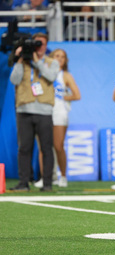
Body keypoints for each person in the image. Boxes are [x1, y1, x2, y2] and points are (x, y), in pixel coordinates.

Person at [9, 32, 59, 191]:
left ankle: (47, 184)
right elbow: (14, 80)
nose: (38, 47)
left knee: (46, 148)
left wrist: (37, 61)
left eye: (41, 44)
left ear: (45, 46)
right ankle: (24, 183)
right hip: (23, 109)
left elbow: (50, 76)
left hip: (44, 111)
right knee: (24, 148)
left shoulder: (52, 62)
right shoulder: (23, 63)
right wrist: (20, 59)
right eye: (36, 43)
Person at [34, 48, 81, 188]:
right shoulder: (44, 73)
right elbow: (36, 89)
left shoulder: (65, 75)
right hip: (44, 111)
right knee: (43, 146)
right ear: (51, 57)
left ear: (65, 60)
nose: (59, 58)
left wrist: (62, 97)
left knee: (58, 146)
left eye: (62, 56)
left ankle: (63, 176)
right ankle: (46, 177)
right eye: (57, 56)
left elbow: (77, 95)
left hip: (60, 112)